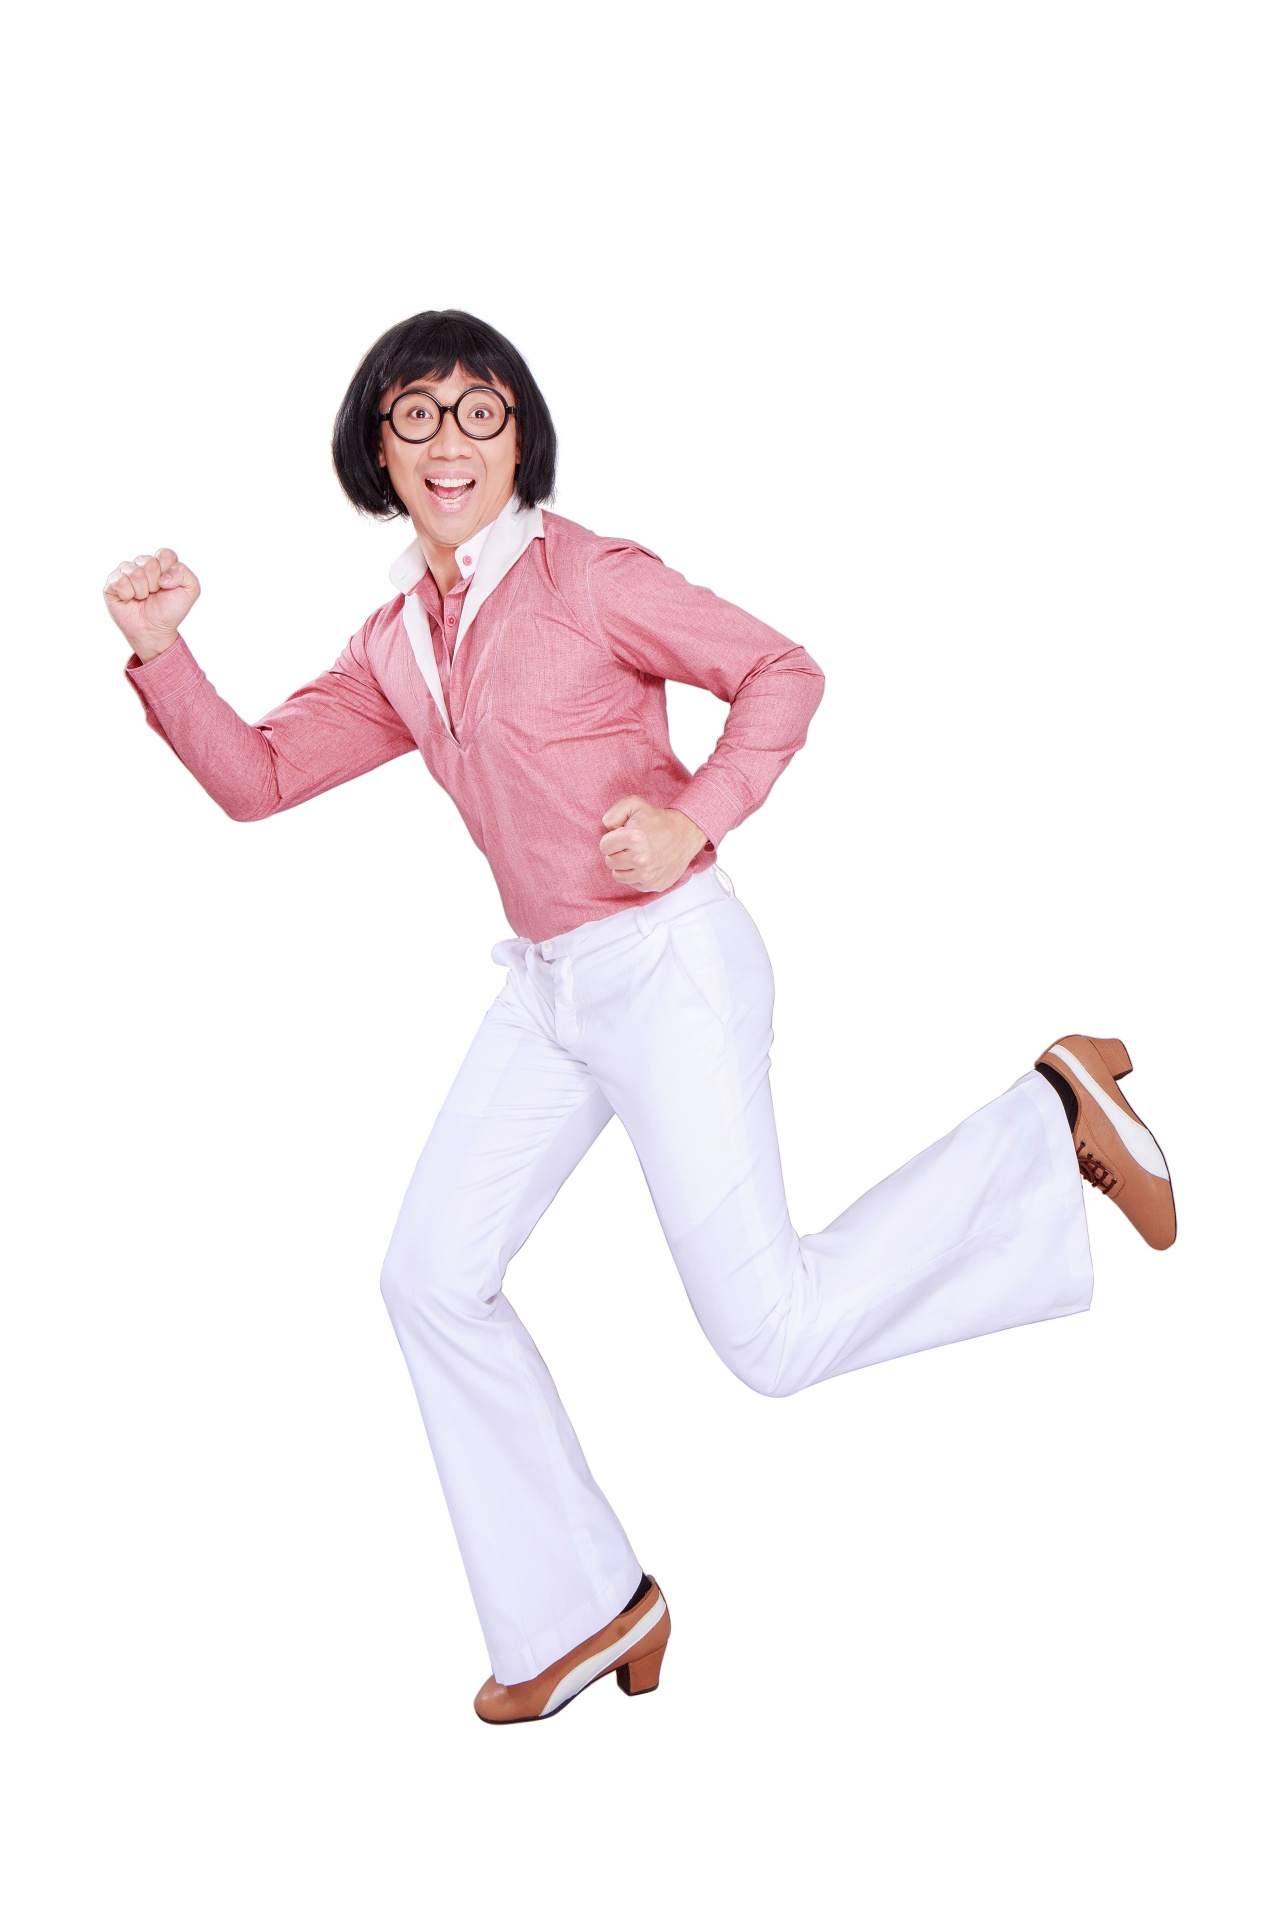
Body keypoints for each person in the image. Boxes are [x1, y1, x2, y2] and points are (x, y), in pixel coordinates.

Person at [103, 308, 1177, 1726]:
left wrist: (693, 818)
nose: (448, 441)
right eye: (415, 413)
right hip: (548, 992)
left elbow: (783, 671)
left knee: (772, 1340)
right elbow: (257, 779)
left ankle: (1049, 1117)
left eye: (479, 410)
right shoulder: (397, 644)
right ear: (377, 447)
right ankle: (584, 1607)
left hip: (670, 968)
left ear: (520, 438)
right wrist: (163, 652)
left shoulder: (590, 577)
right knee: (429, 1277)